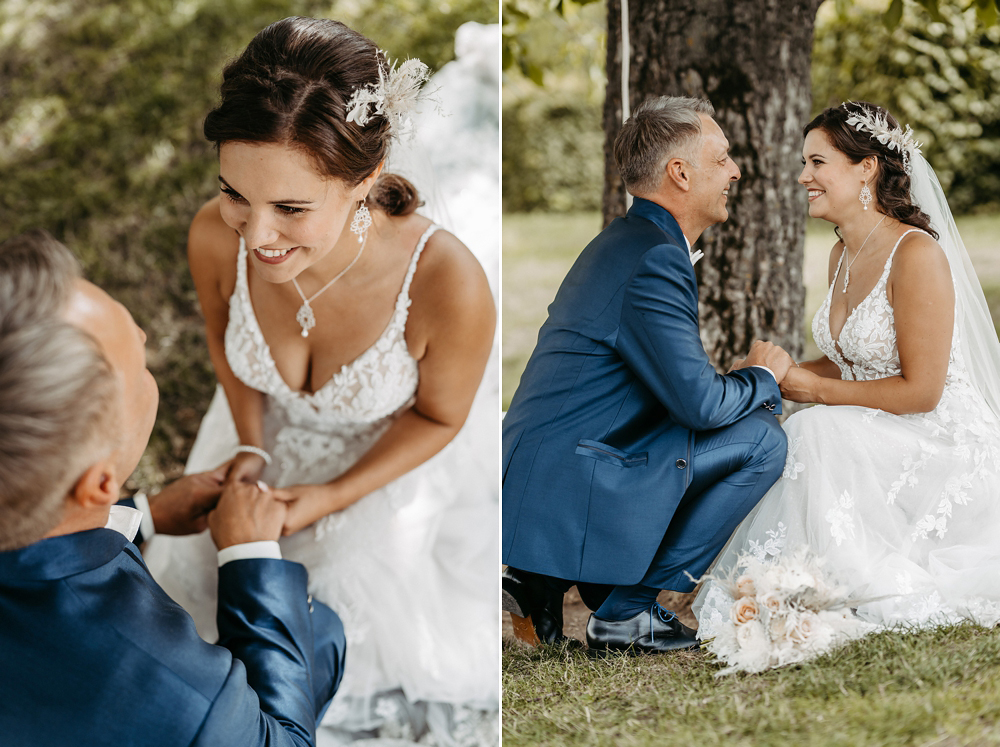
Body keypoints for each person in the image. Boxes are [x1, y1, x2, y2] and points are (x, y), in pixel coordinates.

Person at [142, 17, 498, 745]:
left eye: (292, 208)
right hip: (252, 448)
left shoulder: (445, 282)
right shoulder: (217, 234)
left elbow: (439, 416)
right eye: (236, 192)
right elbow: (222, 340)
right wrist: (251, 445)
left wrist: (331, 496)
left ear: (365, 181)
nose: (257, 235)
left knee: (324, 653)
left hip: (373, 474)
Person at [0, 230, 345, 746]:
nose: (141, 334)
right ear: (96, 484)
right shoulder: (182, 696)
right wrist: (251, 556)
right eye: (137, 369)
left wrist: (144, 513)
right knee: (324, 633)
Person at [501, 96, 795, 655]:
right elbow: (701, 408)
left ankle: (538, 581)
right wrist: (762, 377)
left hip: (554, 466)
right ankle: (627, 614)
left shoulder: (628, 241)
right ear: (680, 173)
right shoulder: (655, 257)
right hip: (578, 471)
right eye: (722, 158)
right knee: (761, 440)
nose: (735, 171)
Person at [694, 102, 1000, 635]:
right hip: (880, 425)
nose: (802, 176)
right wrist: (773, 372)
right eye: (804, 163)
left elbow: (924, 391)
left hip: (937, 439)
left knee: (814, 428)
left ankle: (836, 581)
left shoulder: (916, 253)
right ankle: (798, 577)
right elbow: (849, 362)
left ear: (867, 168)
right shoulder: (842, 254)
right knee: (805, 427)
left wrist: (808, 389)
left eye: (817, 162)